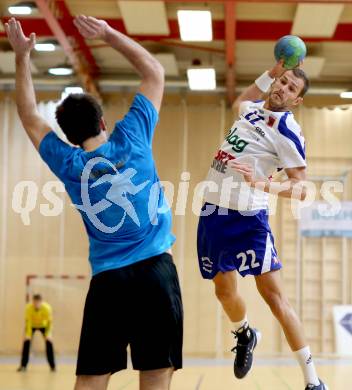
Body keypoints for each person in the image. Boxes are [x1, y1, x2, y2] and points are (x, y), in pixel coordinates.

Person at [5, 15, 182, 390]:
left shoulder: (69, 164)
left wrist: (21, 57)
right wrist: (108, 35)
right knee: (155, 375)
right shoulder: (132, 135)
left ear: (69, 135)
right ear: (103, 122)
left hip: (109, 282)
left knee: (90, 380)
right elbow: (153, 71)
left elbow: (28, 114)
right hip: (156, 274)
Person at [197, 61, 328, 390]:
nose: (283, 88)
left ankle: (313, 381)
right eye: (282, 81)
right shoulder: (251, 109)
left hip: (248, 219)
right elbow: (240, 99)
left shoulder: (288, 132)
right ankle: (244, 333)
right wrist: (271, 70)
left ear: (296, 100)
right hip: (214, 212)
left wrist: (260, 184)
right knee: (223, 292)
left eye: (291, 88)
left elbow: (301, 188)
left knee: (275, 298)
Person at [17, 294, 56, 372]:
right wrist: (28, 334)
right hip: (32, 326)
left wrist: (48, 334)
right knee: (26, 342)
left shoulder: (47, 308)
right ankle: (23, 366)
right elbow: (28, 322)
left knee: (49, 342)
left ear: (41, 302)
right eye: (35, 302)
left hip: (44, 326)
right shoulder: (28, 308)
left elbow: (49, 322)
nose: (36, 304)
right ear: (33, 302)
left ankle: (53, 366)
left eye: (38, 302)